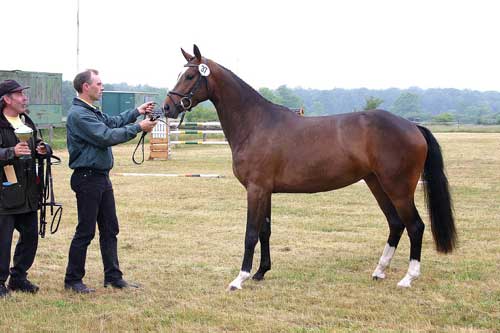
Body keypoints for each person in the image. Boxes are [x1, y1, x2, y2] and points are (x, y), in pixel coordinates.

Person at [64, 69, 157, 293]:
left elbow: (112, 122)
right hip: (87, 178)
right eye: (98, 83)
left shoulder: (91, 111)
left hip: (100, 177)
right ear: (85, 87)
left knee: (110, 229)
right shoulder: (79, 114)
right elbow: (105, 136)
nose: (102, 87)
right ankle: (73, 280)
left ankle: (113, 277)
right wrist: (138, 127)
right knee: (86, 231)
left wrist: (137, 111)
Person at [0, 80, 49, 297]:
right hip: (5, 192)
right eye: (19, 94)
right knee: (2, 241)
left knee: (30, 236)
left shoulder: (26, 121)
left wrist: (42, 148)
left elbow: (35, 144)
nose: (24, 98)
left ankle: (18, 278)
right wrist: (11, 152)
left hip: (28, 191)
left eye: (23, 94)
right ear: (7, 99)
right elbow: (10, 152)